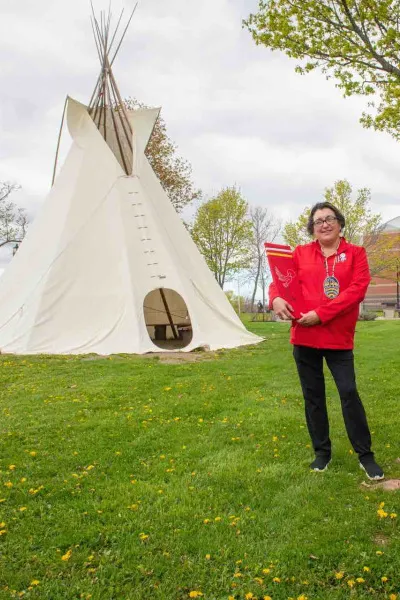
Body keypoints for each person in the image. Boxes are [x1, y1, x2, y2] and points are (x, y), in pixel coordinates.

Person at [270, 201, 384, 480]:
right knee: (313, 397)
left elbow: (356, 291)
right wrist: (276, 298)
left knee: (348, 393)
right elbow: (280, 279)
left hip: (337, 338)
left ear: (339, 223)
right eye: (318, 220)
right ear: (312, 227)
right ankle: (322, 453)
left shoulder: (356, 253)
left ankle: (365, 455)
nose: (324, 223)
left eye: (329, 218)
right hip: (304, 336)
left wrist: (321, 315)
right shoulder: (300, 253)